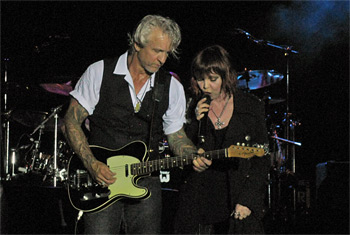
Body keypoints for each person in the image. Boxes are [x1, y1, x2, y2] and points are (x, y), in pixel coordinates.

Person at [62, 15, 211, 234]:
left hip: (146, 182)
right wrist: (92, 164)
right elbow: (71, 121)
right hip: (102, 180)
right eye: (157, 51)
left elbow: (176, 135)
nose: (162, 59)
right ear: (136, 44)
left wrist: (190, 152)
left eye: (167, 53)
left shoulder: (171, 86)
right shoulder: (99, 72)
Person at [173, 45, 270, 234]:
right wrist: (193, 121)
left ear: (226, 77)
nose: (205, 86)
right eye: (200, 79)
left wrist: (248, 200)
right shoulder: (189, 105)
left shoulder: (251, 106)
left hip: (237, 200)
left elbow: (262, 158)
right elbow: (178, 148)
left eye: (213, 79)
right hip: (199, 203)